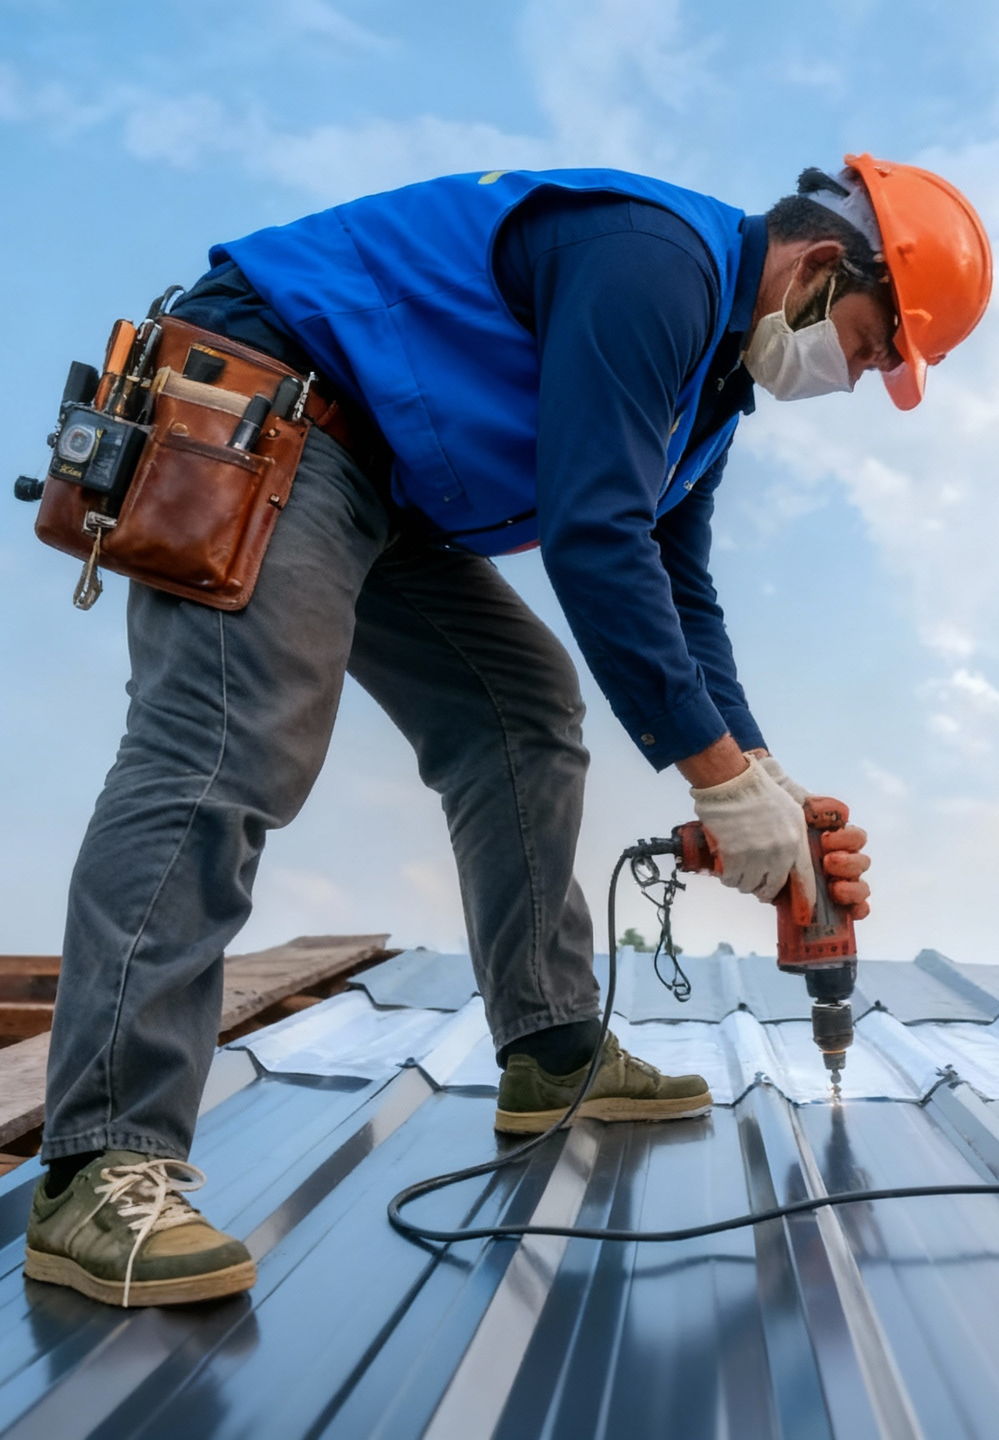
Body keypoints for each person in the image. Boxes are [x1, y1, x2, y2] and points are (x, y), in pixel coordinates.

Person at [24, 155, 991, 1308]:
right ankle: (101, 1165)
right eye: (876, 343)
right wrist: (717, 781)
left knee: (522, 707)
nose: (863, 373)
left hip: (381, 473)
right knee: (228, 742)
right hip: (277, 396)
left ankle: (550, 1047)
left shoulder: (710, 392)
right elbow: (595, 539)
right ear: (826, 266)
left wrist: (761, 780)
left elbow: (683, 592)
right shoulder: (653, 265)